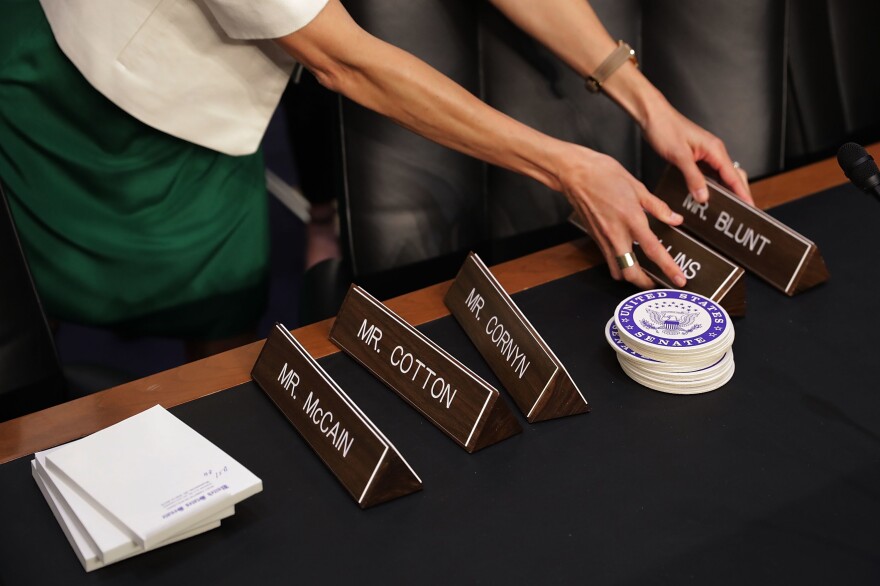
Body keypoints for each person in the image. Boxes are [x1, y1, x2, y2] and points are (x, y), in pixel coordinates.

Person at [0, 0, 749, 360]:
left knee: (226, 303)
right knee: (39, 323)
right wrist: (570, 167)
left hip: (220, 98)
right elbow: (344, 60)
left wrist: (642, 96)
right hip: (93, 93)